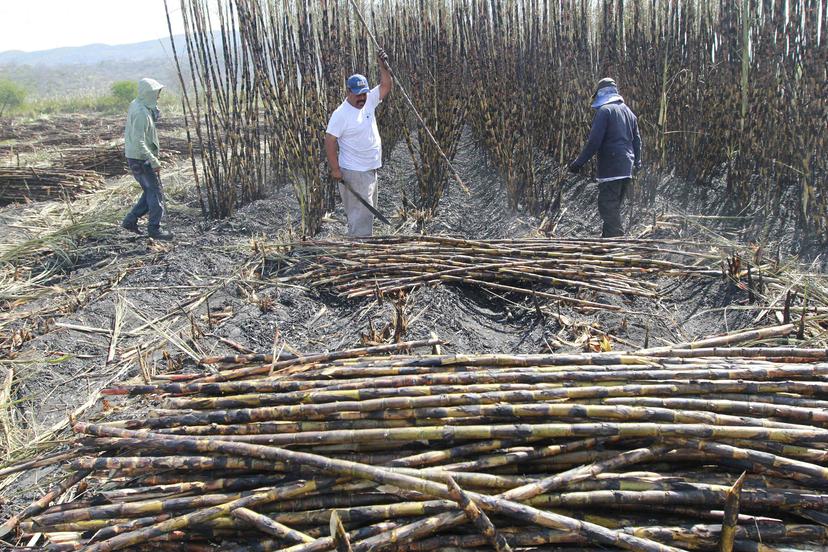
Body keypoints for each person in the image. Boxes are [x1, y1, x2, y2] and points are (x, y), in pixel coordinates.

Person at [325, 49, 393, 237]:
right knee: (361, 216)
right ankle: (359, 252)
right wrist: (335, 169)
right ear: (348, 92)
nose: (362, 98)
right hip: (354, 171)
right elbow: (330, 140)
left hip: (370, 169)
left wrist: (383, 67)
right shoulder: (341, 114)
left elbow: (386, 86)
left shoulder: (369, 101)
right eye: (358, 95)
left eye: (364, 93)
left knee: (367, 213)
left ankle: (362, 247)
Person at [569, 78, 642, 238]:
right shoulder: (629, 112)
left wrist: (578, 163)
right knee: (613, 208)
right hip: (627, 168)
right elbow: (637, 140)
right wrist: (637, 162)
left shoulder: (605, 111)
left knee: (607, 206)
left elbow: (594, 141)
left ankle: (617, 242)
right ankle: (607, 242)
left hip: (611, 166)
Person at [121, 77, 173, 241]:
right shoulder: (141, 113)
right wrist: (153, 160)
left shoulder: (137, 103)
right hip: (140, 158)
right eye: (156, 93)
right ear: (148, 94)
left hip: (135, 156)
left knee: (149, 191)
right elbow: (139, 140)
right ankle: (154, 229)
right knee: (155, 192)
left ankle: (130, 220)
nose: (158, 97)